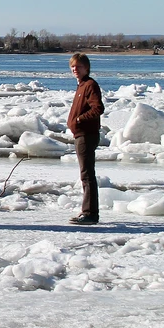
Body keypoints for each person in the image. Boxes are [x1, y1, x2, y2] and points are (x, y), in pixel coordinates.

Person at [67, 52, 104, 225]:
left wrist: (80, 119)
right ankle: (87, 212)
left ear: (86, 68)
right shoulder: (81, 85)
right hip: (80, 134)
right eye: (73, 66)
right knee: (86, 174)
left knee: (87, 175)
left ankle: (90, 214)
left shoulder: (90, 85)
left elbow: (98, 108)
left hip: (86, 135)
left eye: (79, 66)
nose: (75, 69)